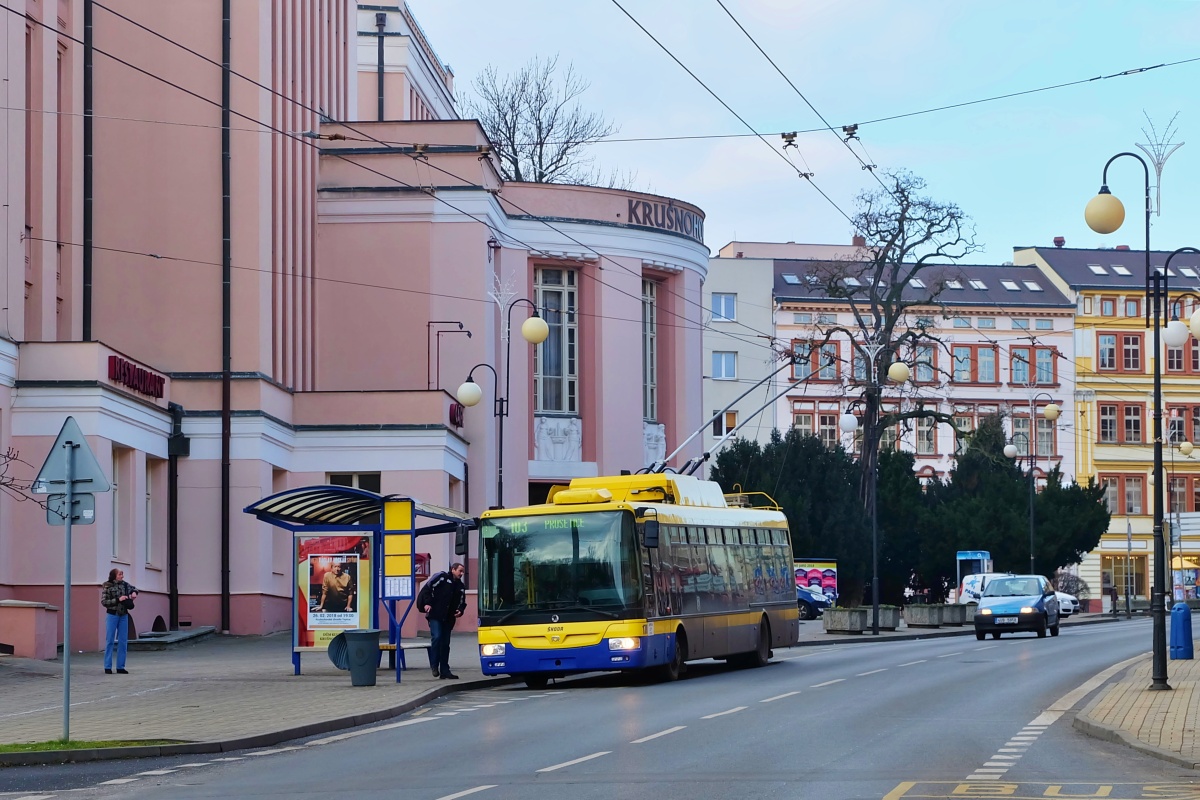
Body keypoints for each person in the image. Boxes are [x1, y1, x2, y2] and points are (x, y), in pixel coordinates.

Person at [418, 562, 466, 679]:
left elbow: (462, 601)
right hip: (435, 614)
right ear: (453, 569)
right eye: (460, 571)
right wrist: (427, 603)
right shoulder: (442, 578)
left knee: (445, 643)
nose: (461, 574)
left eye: (463, 571)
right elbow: (428, 589)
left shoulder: (460, 586)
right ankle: (434, 665)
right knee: (437, 637)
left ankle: (445, 670)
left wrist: (460, 610)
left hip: (448, 618)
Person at [101, 568, 138, 674]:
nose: (122, 576)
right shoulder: (108, 586)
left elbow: (135, 589)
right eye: (120, 574)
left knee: (123, 641)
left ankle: (120, 666)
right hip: (112, 615)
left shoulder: (125, 585)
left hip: (124, 615)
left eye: (122, 574)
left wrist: (134, 593)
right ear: (114, 576)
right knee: (110, 641)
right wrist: (118, 600)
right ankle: (107, 666)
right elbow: (104, 602)